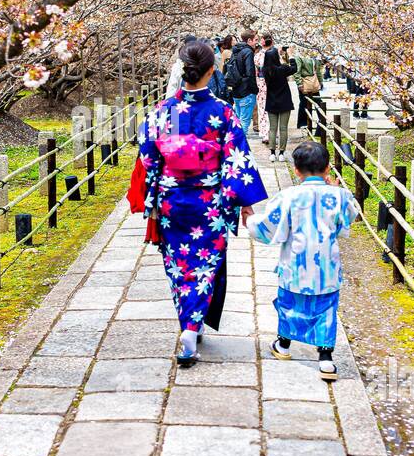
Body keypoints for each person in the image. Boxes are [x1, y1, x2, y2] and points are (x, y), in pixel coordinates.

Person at [138, 40, 268, 367]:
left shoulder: (163, 112)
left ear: (183, 70)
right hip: (210, 205)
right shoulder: (222, 113)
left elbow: (148, 158)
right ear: (211, 72)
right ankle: (191, 329)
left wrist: (155, 193)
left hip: (172, 202)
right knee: (205, 268)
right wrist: (244, 203)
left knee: (179, 266)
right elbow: (236, 160)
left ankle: (187, 325)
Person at [250, 141, 360, 381]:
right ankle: (326, 359)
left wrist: (250, 219)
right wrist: (339, 190)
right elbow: (351, 215)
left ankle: (284, 345)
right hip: (326, 268)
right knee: (326, 310)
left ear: (297, 171)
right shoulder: (339, 196)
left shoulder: (289, 196)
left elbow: (267, 226)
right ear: (328, 168)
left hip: (295, 265)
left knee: (290, 304)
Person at [261, 35, 297, 162]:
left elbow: (271, 61)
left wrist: (277, 54)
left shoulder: (265, 70)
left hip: (271, 100)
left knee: (272, 128)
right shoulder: (282, 69)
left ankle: (272, 152)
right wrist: (290, 55)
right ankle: (281, 153)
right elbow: (294, 68)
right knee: (283, 128)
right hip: (285, 101)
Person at [225, 30, 259, 133]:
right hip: (246, 91)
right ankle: (239, 145)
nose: (257, 43)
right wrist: (254, 90)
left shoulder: (236, 51)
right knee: (244, 122)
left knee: (238, 120)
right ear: (249, 40)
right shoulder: (248, 52)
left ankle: (234, 143)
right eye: (255, 40)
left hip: (236, 90)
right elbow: (250, 73)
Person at [295, 49, 323, 135]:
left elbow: (318, 70)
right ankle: (303, 123)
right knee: (304, 102)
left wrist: (321, 81)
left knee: (318, 102)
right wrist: (299, 83)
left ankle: (321, 123)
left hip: (314, 82)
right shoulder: (299, 56)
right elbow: (297, 71)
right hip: (305, 82)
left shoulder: (315, 55)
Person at [165, 34, 197, 98]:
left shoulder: (178, 64)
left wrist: (168, 105)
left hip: (182, 102)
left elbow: (172, 87)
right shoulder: (178, 65)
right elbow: (172, 87)